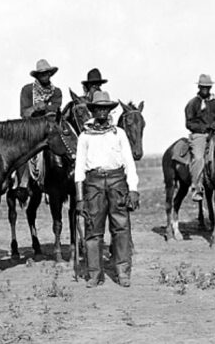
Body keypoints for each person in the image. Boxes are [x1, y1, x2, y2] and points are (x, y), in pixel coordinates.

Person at [74, 91, 140, 288]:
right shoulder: (84, 136)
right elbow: (79, 168)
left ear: (109, 110)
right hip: (93, 184)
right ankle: (94, 273)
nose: (102, 112)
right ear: (93, 111)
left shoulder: (118, 133)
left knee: (121, 228)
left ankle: (122, 271)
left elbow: (129, 162)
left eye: (105, 108)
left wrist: (133, 189)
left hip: (117, 182)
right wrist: (79, 198)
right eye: (98, 108)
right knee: (93, 231)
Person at [16, 59, 62, 198]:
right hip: (31, 128)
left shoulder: (56, 92)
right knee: (21, 150)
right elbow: (24, 113)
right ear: (37, 76)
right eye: (41, 74)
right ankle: (21, 182)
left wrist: (45, 107)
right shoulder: (27, 90)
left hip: (49, 127)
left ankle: (61, 179)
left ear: (50, 74)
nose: (44, 76)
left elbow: (55, 110)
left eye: (47, 73)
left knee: (64, 146)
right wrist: (37, 107)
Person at [185, 74, 215, 202]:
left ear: (210, 87)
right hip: (200, 135)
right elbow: (189, 123)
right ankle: (196, 188)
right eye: (203, 87)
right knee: (199, 157)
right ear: (199, 87)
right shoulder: (193, 103)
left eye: (208, 87)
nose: (206, 89)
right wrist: (205, 127)